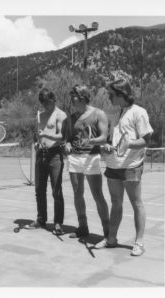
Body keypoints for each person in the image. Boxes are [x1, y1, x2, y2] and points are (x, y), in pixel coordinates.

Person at [94, 79, 153, 256]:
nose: (109, 98)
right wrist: (108, 146)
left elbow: (146, 140)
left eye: (111, 95)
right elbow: (116, 141)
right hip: (113, 165)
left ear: (121, 94)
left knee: (136, 203)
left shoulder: (139, 112)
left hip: (131, 166)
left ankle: (139, 242)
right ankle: (112, 239)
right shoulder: (117, 114)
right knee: (116, 203)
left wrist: (130, 145)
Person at [64, 85, 110, 239]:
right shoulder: (71, 118)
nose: (72, 100)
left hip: (92, 158)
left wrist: (90, 141)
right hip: (74, 158)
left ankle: (108, 232)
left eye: (74, 97)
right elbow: (68, 139)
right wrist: (68, 144)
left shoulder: (99, 114)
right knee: (78, 193)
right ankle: (82, 227)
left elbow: (104, 138)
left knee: (97, 195)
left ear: (83, 97)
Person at [29, 88, 67, 235]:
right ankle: (41, 219)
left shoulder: (60, 115)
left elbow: (61, 136)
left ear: (53, 99)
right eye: (42, 102)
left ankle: (58, 222)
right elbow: (36, 135)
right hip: (41, 154)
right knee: (39, 190)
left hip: (54, 155)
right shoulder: (40, 115)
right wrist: (37, 141)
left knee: (56, 191)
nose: (44, 105)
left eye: (47, 102)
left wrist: (45, 134)